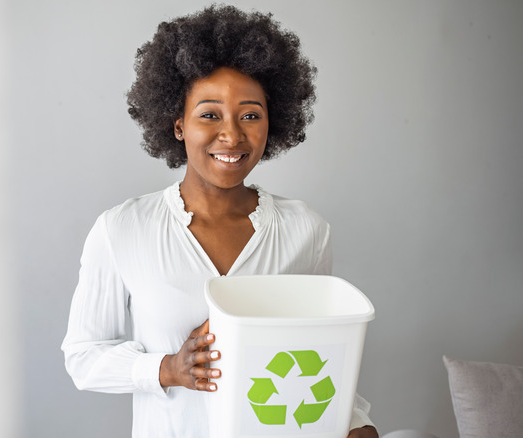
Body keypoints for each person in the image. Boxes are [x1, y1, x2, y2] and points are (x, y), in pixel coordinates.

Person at [62, 5, 378, 438]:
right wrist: (167, 369)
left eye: (250, 115)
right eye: (209, 114)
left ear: (274, 122)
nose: (231, 135)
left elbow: (319, 355)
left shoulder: (306, 230)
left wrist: (356, 421)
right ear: (177, 125)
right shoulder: (122, 229)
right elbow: (83, 357)